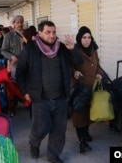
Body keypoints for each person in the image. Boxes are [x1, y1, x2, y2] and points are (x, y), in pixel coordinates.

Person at [15, 20, 83, 163]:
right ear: (39, 33)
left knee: (59, 130)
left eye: (53, 32)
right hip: (40, 99)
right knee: (40, 129)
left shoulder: (63, 48)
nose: (52, 36)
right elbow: (20, 72)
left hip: (61, 98)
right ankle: (34, 144)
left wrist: (74, 49)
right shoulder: (30, 49)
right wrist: (24, 91)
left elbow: (79, 61)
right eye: (48, 32)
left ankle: (53, 155)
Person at [71, 26, 102, 153]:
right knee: (79, 115)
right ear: (79, 38)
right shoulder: (75, 50)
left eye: (89, 37)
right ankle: (82, 142)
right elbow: (69, 66)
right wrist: (74, 72)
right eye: (84, 37)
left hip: (92, 86)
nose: (87, 40)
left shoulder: (94, 50)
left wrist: (99, 73)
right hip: (80, 87)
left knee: (89, 113)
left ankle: (86, 132)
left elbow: (98, 65)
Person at [1, 15, 25, 81]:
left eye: (21, 22)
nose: (20, 24)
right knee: (16, 82)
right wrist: (11, 56)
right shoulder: (9, 36)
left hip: (27, 63)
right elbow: (3, 50)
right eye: (18, 22)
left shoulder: (27, 34)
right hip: (15, 64)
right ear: (13, 23)